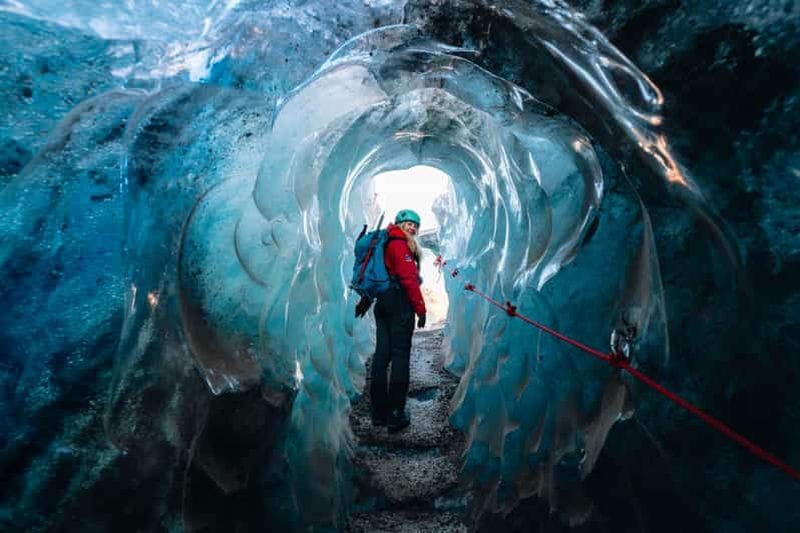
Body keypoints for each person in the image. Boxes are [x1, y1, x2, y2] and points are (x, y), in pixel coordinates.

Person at [357, 209, 427, 433]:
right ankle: (396, 412)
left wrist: (366, 301)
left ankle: (379, 412)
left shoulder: (386, 242)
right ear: (399, 224)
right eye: (408, 223)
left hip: (384, 305)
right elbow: (407, 278)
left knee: (382, 355)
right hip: (399, 304)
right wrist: (421, 309)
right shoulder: (398, 244)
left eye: (415, 225)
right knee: (399, 356)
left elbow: (380, 276)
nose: (412, 228)